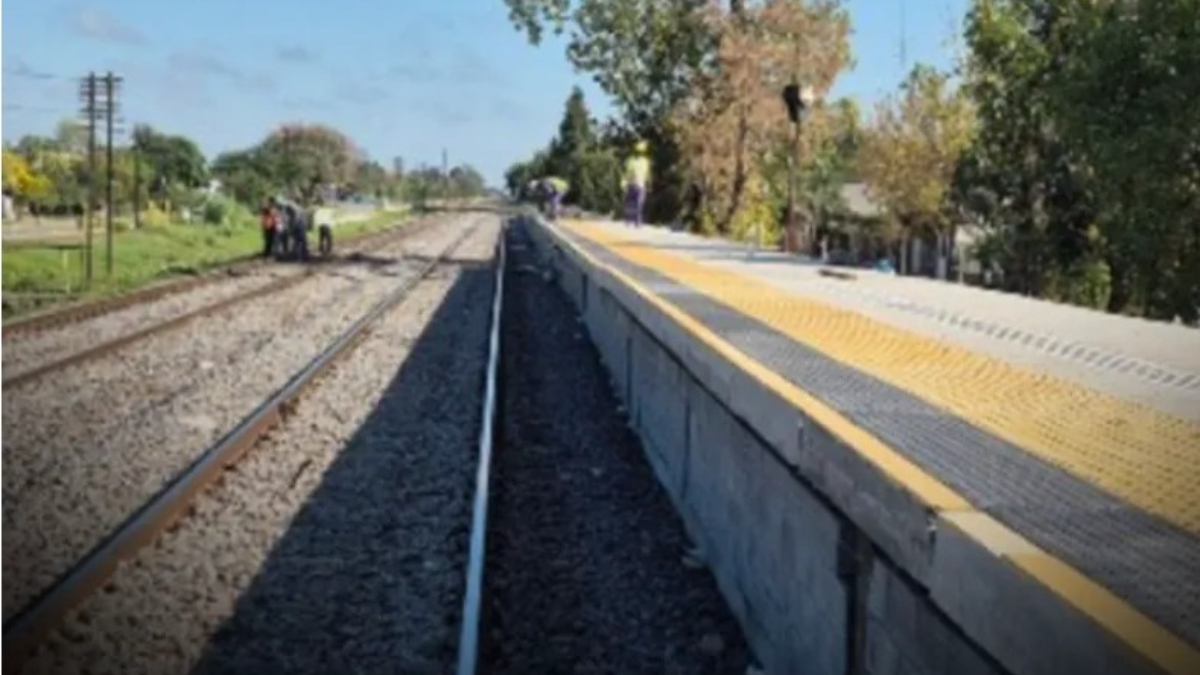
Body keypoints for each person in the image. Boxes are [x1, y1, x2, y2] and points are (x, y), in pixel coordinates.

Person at [622, 140, 652, 227]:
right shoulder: (631, 161)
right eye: (638, 152)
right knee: (631, 203)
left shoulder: (645, 162)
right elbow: (628, 173)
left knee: (639, 203)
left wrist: (649, 183)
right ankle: (629, 219)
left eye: (641, 152)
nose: (639, 153)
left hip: (640, 185)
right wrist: (625, 183)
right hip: (633, 184)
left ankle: (637, 220)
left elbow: (647, 174)